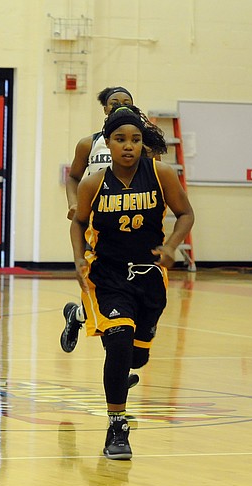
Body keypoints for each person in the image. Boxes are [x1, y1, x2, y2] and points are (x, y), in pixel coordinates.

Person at [70, 105, 194, 460]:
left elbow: (186, 213)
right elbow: (78, 223)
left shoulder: (161, 174)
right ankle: (116, 425)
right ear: (107, 143)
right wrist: (79, 258)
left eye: (136, 140)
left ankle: (82, 322)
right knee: (120, 340)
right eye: (121, 139)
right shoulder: (94, 183)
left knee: (136, 359)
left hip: (150, 276)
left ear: (143, 143)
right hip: (107, 273)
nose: (129, 146)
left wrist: (171, 246)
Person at [61, 86, 135, 354]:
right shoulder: (88, 144)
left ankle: (77, 316)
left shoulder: (142, 146)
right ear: (105, 108)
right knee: (104, 288)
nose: (120, 105)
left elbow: (156, 182)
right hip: (96, 225)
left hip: (131, 225)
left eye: (127, 101)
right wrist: (73, 202)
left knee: (128, 293)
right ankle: (118, 359)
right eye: (114, 102)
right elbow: (73, 177)